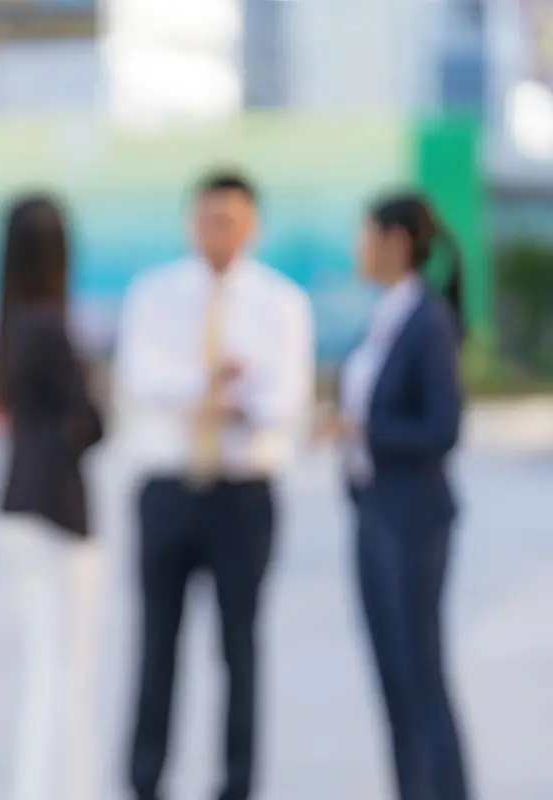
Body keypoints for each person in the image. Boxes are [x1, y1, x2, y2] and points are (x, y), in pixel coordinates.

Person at [112, 170, 315, 800]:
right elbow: (140, 380)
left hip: (242, 495)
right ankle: (145, 781)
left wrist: (231, 392)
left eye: (228, 220)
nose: (215, 232)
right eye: (206, 219)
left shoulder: (281, 303)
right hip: (169, 489)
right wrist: (211, 382)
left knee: (240, 648)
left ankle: (237, 784)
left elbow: (285, 401)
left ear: (251, 225)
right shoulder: (154, 294)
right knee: (155, 645)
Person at [315, 191, 474, 800]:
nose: (358, 247)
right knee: (393, 679)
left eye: (365, 234)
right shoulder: (386, 314)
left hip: (413, 520)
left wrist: (361, 428)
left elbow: (444, 428)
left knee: (421, 676)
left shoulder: (426, 320)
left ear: (395, 242)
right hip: (374, 510)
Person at [0, 193, 105, 800]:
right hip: (59, 510)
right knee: (66, 675)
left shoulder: (9, 324)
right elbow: (90, 422)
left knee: (47, 673)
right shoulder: (51, 326)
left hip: (21, 505)